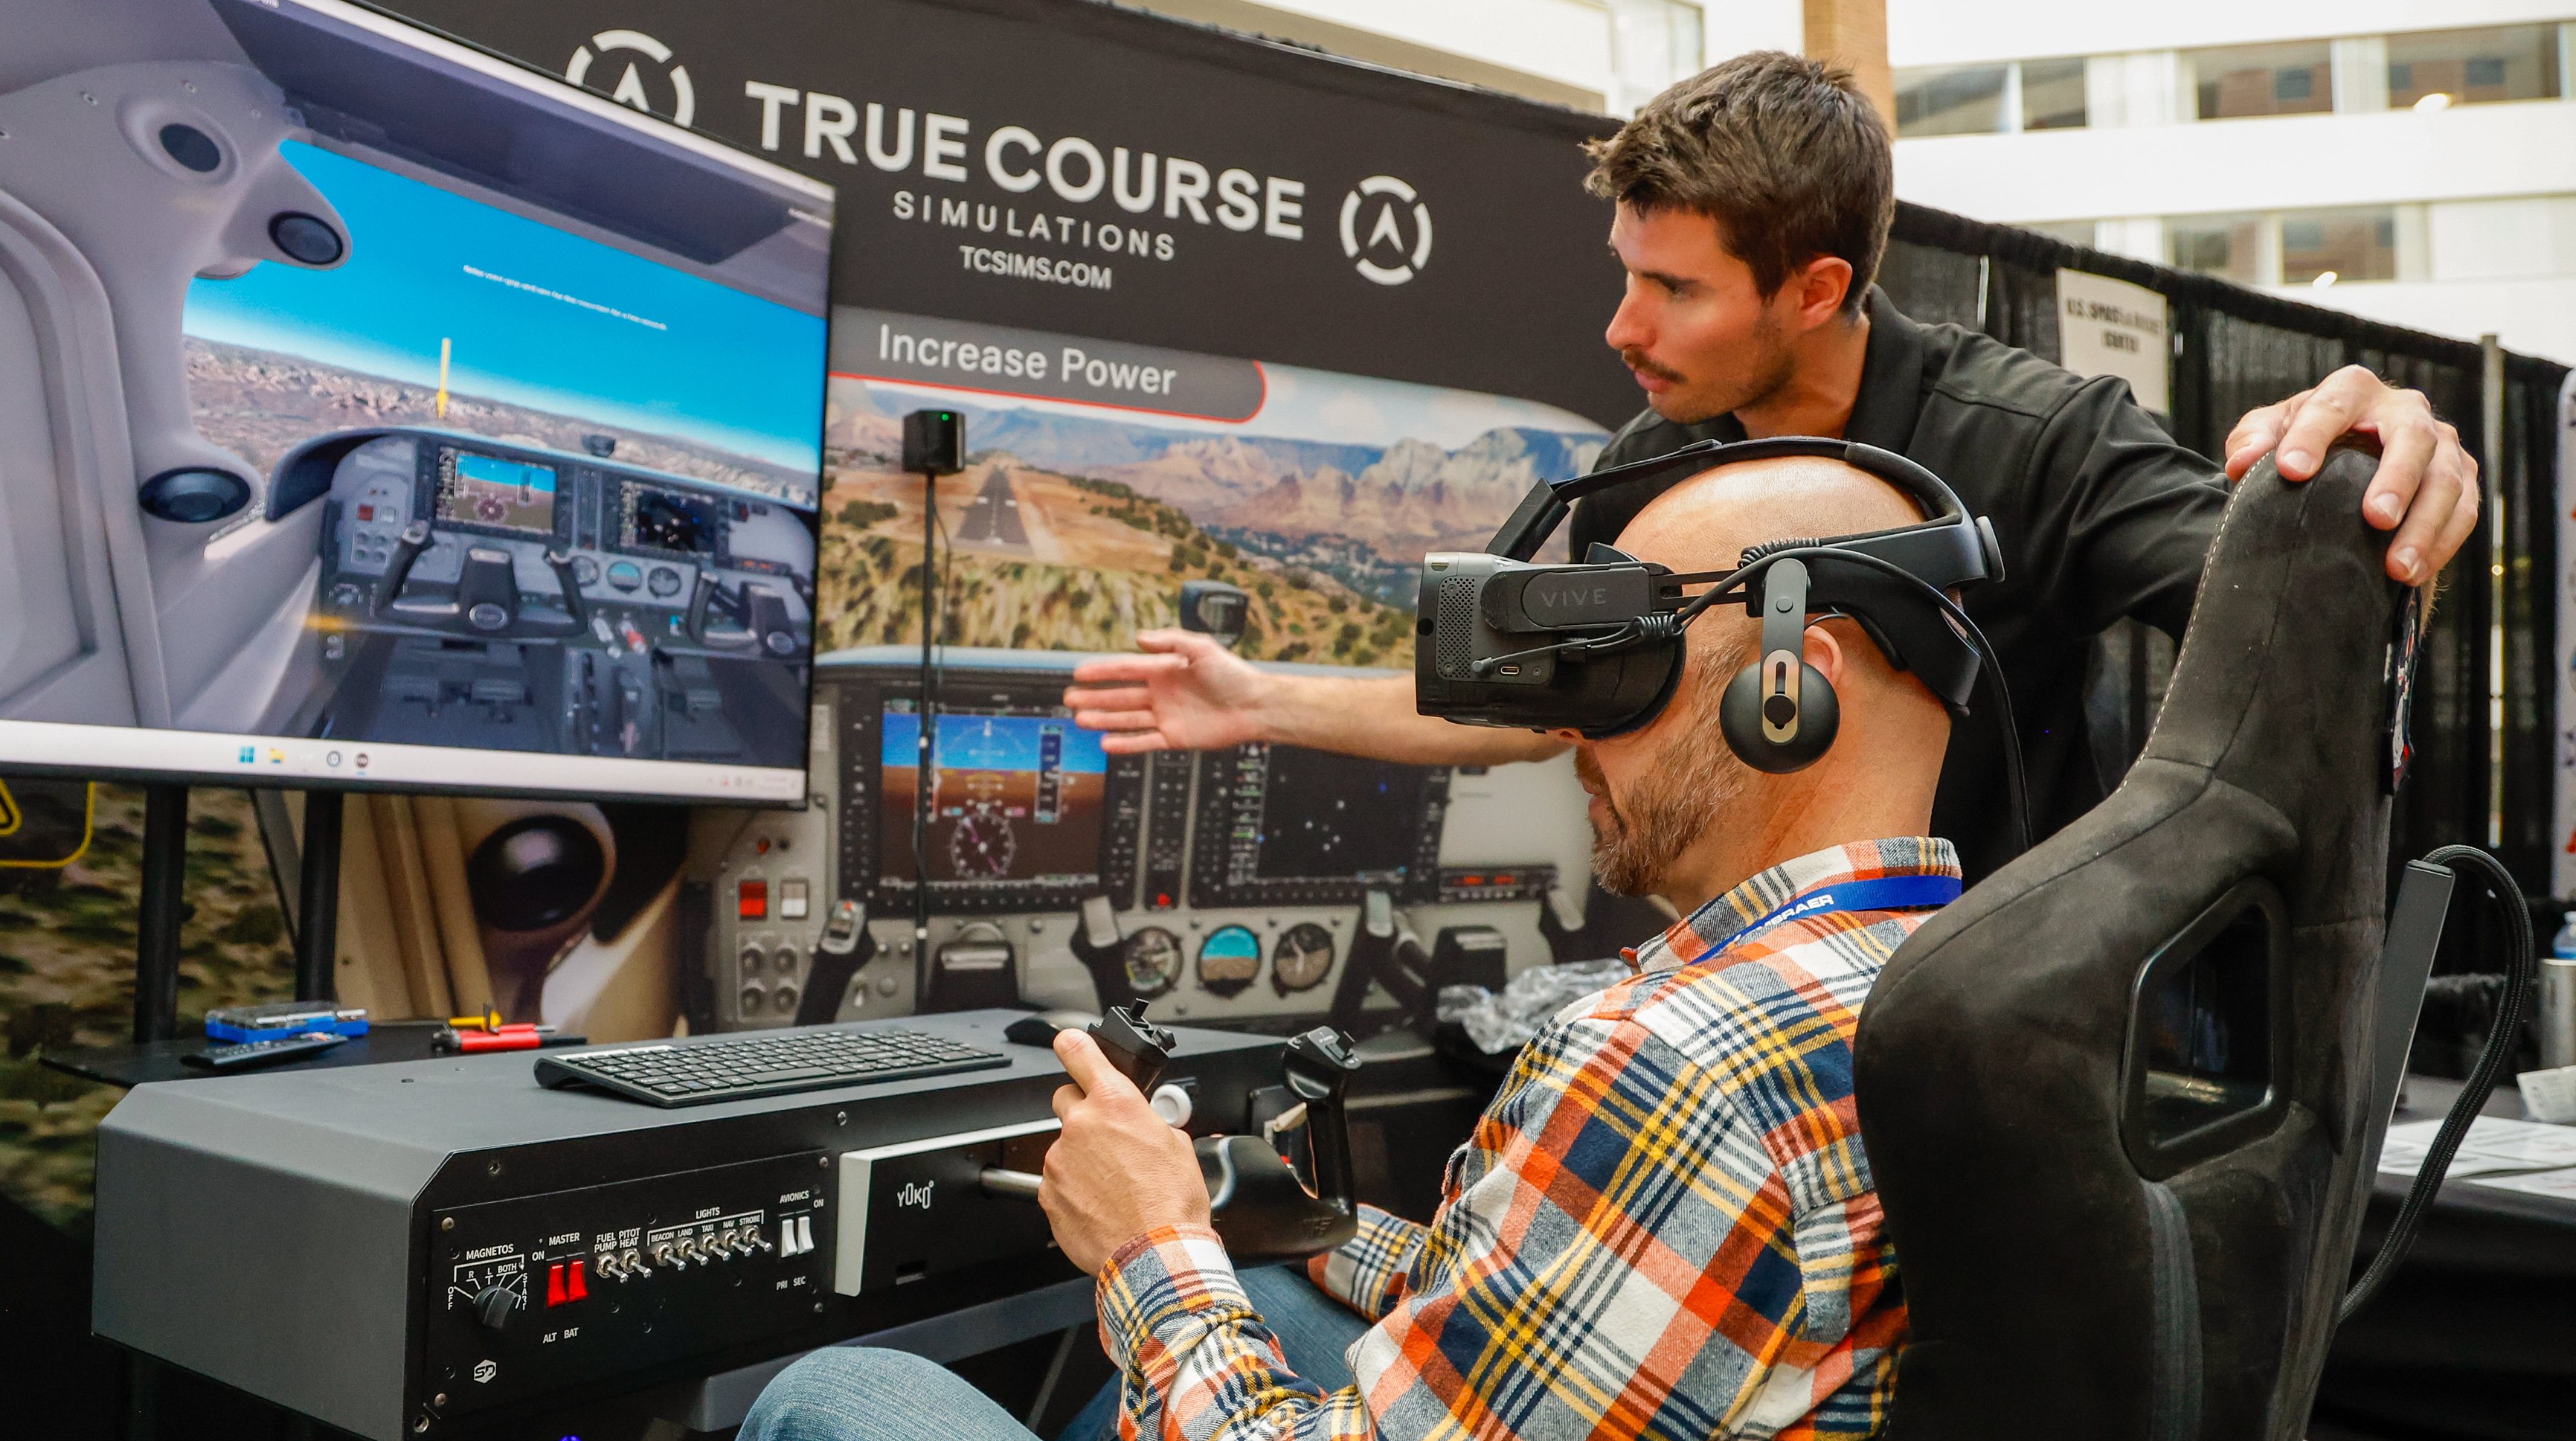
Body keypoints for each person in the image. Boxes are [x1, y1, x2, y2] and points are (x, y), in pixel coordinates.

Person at [622, 455, 1966, 1441]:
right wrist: (1264, 1225)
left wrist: (1151, 1250)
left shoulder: (1681, 1068)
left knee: (831, 1427)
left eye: (1627, 671)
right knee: (1269, 1287)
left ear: (1795, 680)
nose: (1569, 734)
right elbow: (1604, 1308)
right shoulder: (1947, 978)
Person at [1061, 52, 2479, 880]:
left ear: (1815, 288)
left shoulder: (2037, 436)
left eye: (1676, 291)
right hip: (1743, 1018)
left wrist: (2379, 475)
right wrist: (1256, 702)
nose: (1624, 329)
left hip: (1998, 1035)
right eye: (1628, 276)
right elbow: (1534, 699)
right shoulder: (1654, 466)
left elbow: (2306, 599)